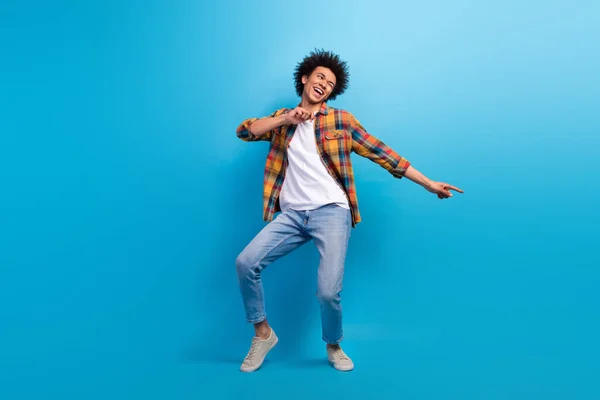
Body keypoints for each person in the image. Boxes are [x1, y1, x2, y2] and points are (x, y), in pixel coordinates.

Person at [235, 49, 463, 373]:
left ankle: (333, 344)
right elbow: (245, 131)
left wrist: (427, 183)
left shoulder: (341, 120)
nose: (324, 84)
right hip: (292, 215)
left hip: (331, 211)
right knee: (245, 263)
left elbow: (382, 152)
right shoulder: (281, 120)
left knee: (328, 291)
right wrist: (286, 118)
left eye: (330, 83)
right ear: (305, 78)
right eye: (320, 77)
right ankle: (263, 334)